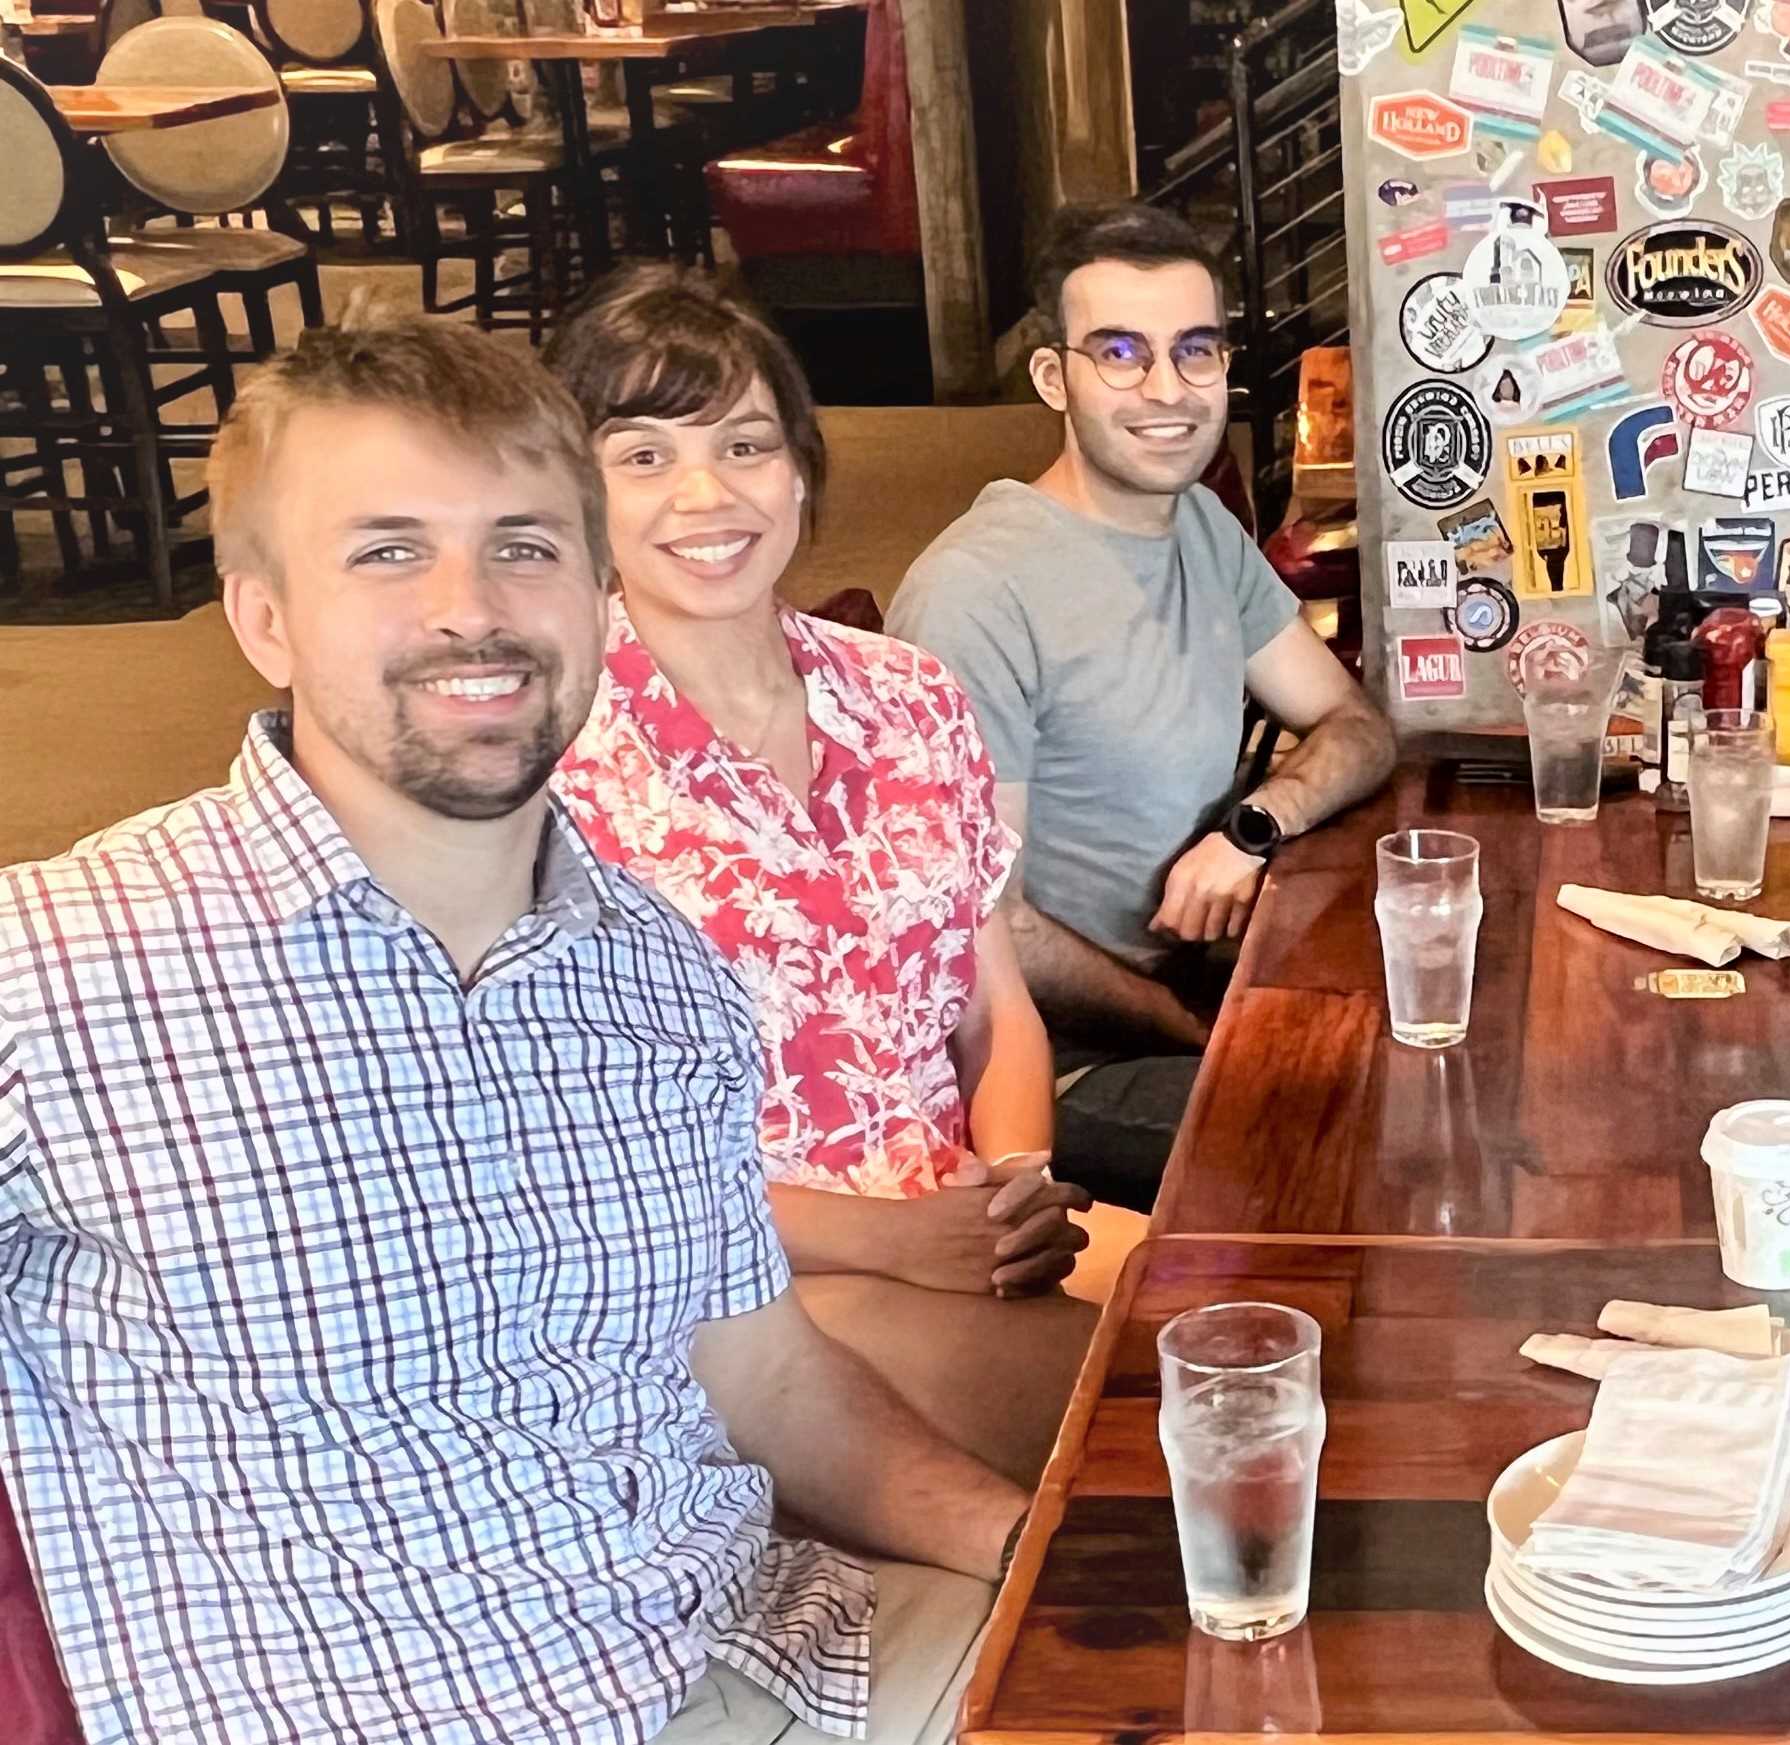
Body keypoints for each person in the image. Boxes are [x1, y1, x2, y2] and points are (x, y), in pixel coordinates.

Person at [0, 318, 1031, 1745]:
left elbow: (769, 1377)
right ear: (264, 618)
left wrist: (1037, 1540)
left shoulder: (661, 975)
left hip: (764, 1643)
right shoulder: (55, 969)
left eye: (524, 546)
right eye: (388, 550)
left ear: (597, 599)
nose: (470, 608)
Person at [544, 266, 1132, 1484]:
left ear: (800, 468)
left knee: (1273, 1324)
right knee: (1147, 1415)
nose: (706, 493)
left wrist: (1014, 1185)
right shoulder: (550, 762)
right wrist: (897, 1241)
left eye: (744, 444)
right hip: (730, 1285)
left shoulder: (906, 694)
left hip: (952, 1210)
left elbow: (991, 1005)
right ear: (576, 495)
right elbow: (570, 1150)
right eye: (644, 456)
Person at [890, 201, 1393, 1198]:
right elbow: (992, 929)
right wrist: (1197, 1028)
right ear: (1053, 378)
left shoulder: (1198, 522)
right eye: (1120, 353)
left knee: (1454, 1030)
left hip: (1195, 977)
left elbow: (1357, 726)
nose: (1167, 389)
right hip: (1053, 1063)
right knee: (1369, 1138)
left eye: (1194, 350)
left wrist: (1254, 825)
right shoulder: (975, 594)